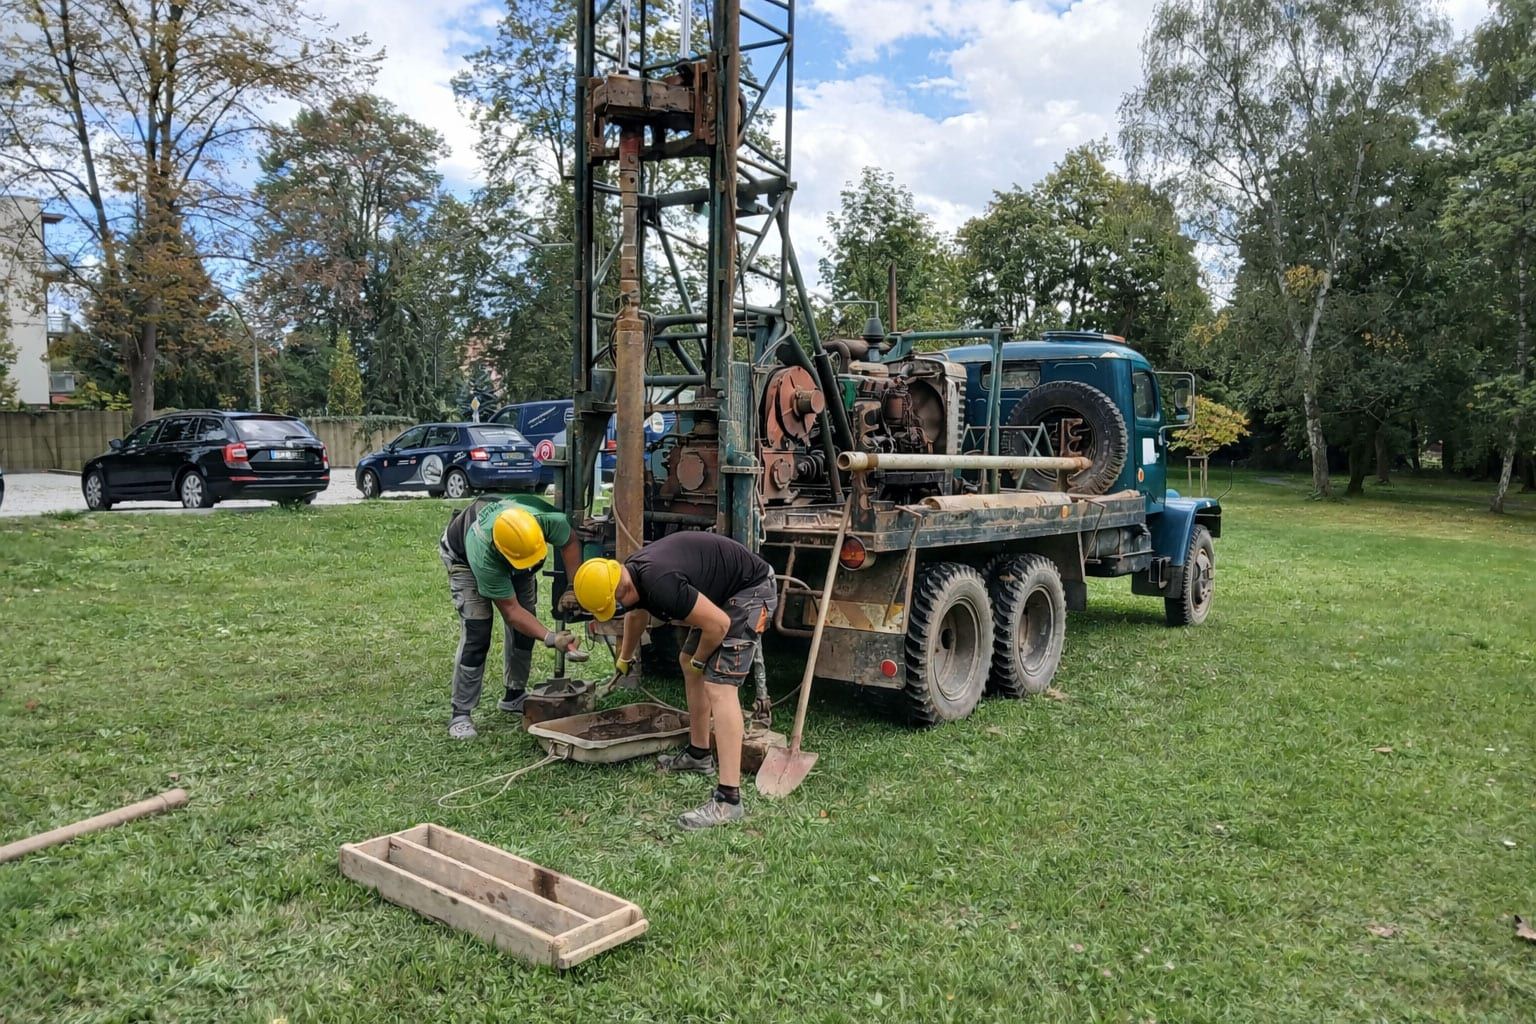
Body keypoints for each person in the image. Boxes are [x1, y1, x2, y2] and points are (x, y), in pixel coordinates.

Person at [573, 531, 777, 829]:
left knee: (720, 685)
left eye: (615, 605)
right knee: (688, 663)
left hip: (752, 590)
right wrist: (625, 659)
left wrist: (700, 658)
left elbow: (719, 625)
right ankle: (699, 754)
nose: (618, 610)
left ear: (621, 586)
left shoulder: (660, 583)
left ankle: (729, 799)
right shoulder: (629, 572)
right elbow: (636, 614)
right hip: (727, 592)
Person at [439, 495, 584, 739]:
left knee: (525, 629)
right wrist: (551, 638)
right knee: (478, 631)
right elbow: (512, 612)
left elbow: (569, 541)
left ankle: (514, 695)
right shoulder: (482, 552)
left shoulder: (545, 521)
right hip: (463, 558)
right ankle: (461, 713)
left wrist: (573, 587)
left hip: (515, 555)